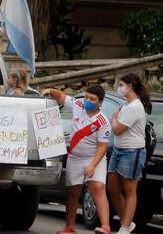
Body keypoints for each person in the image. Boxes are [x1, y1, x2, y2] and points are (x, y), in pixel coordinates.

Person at [41, 86, 112, 234]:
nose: (87, 101)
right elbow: (61, 96)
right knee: (73, 192)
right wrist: (50, 91)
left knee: (98, 188)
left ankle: (105, 226)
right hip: (75, 157)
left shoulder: (103, 121)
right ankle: (69, 227)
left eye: (92, 99)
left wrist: (93, 165)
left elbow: (102, 147)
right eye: (86, 97)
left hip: (94, 158)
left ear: (100, 102)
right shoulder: (78, 105)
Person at [108, 73, 152, 234]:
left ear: (129, 87)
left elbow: (118, 129)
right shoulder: (126, 104)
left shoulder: (135, 106)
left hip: (132, 152)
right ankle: (126, 222)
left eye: (120, 85)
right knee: (112, 188)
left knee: (129, 190)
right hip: (118, 150)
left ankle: (125, 227)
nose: (118, 88)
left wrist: (114, 117)